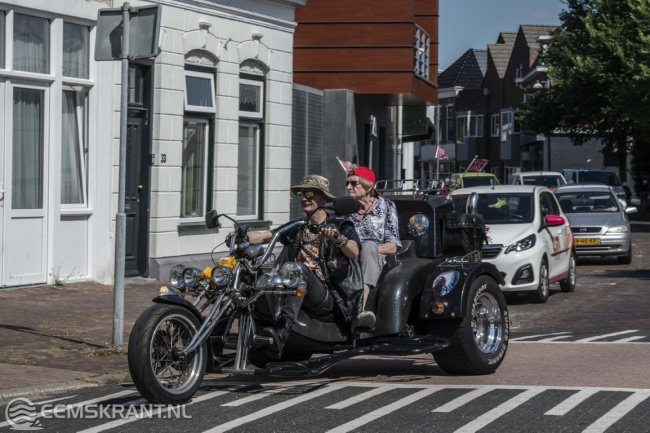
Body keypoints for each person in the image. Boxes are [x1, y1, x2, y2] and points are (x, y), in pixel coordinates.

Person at [227, 174, 364, 360]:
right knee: (244, 276)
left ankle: (283, 331)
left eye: (310, 193)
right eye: (301, 194)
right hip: (293, 287)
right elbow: (267, 236)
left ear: (323, 198)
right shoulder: (299, 226)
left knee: (299, 270)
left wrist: (338, 239)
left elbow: (354, 251)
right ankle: (215, 342)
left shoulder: (340, 225)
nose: (304, 198)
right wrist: (240, 236)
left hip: (327, 295)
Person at [343, 165, 401, 325]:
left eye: (353, 183)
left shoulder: (386, 206)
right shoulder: (347, 209)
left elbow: (392, 245)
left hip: (376, 258)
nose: (349, 187)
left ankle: (359, 309)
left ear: (368, 187)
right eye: (347, 183)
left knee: (368, 246)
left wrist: (363, 252)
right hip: (349, 256)